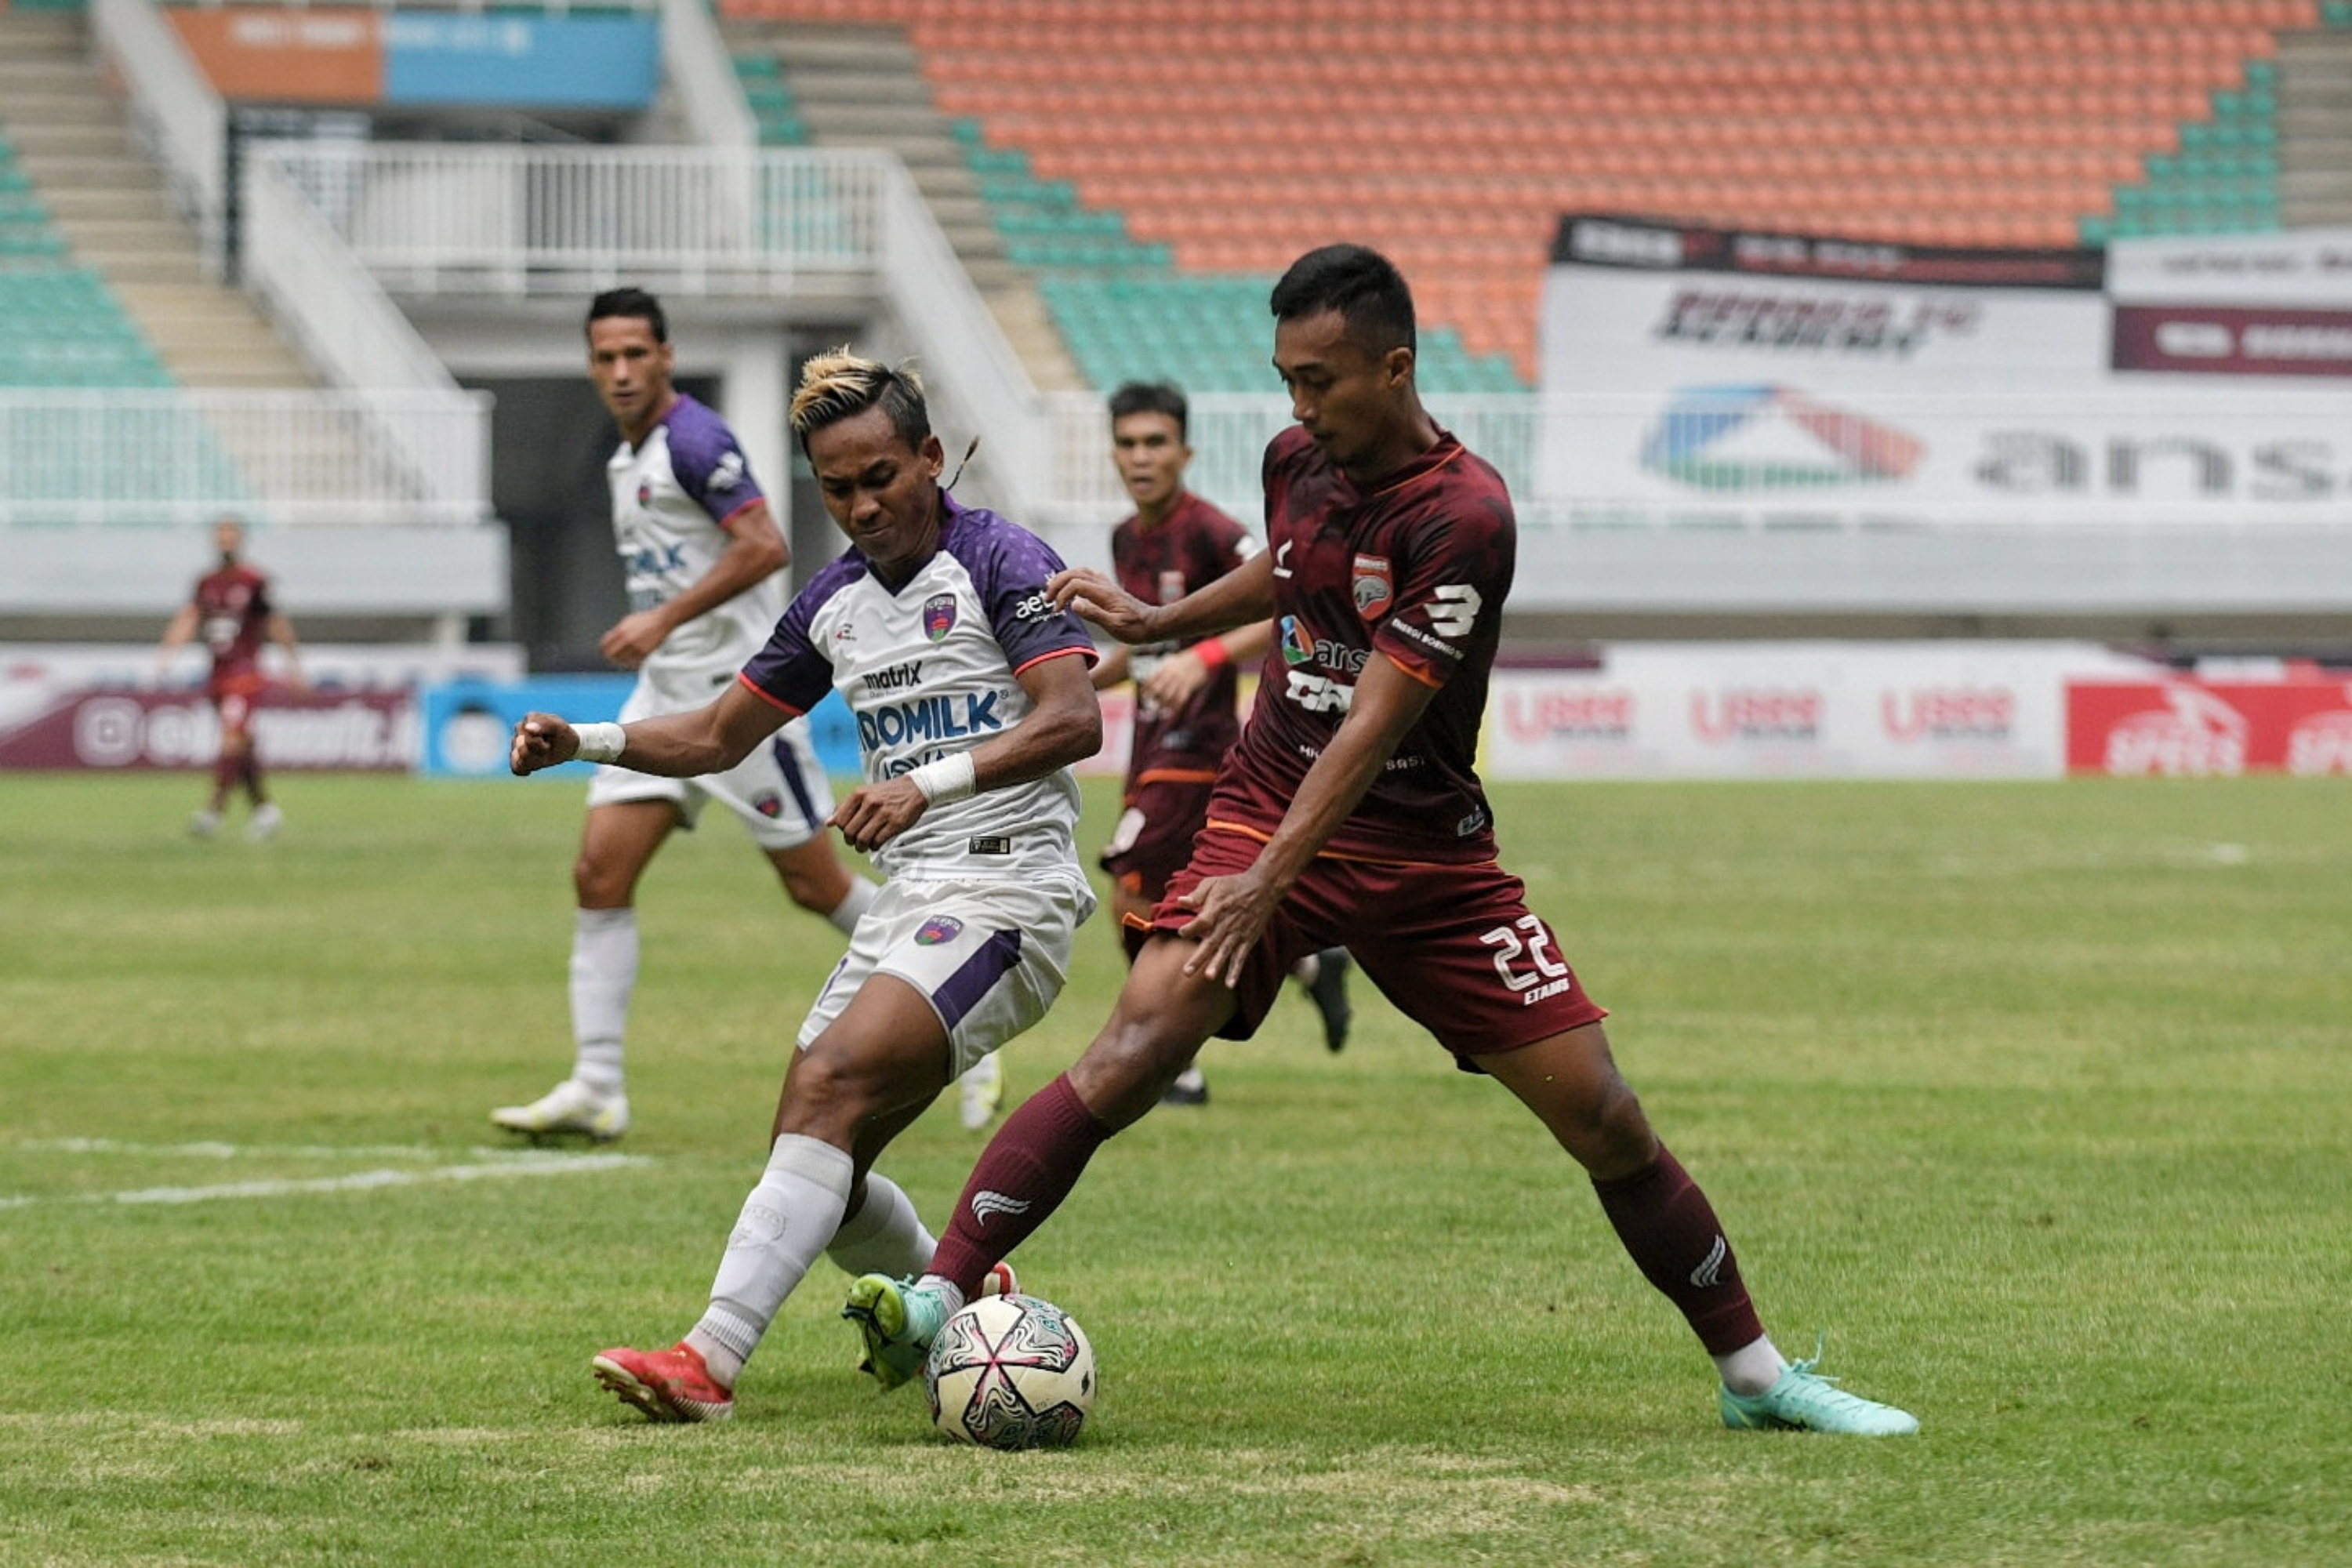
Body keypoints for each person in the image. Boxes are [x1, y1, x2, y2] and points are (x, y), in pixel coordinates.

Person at [844, 245, 1919, 1437]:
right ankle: (940, 1295)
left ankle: (1757, 1379)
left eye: (1320, 380)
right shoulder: (1296, 458)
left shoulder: (1467, 518)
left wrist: (1262, 886)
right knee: (1136, 1046)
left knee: (1603, 1116)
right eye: (1286, 379)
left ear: (1395, 368)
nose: (1298, 407)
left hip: (1426, 858)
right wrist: (1162, 622)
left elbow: (1373, 725)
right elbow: (1289, 571)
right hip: (1263, 801)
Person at [509, 348, 1102, 1422]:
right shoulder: (831, 604)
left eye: (883, 476)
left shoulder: (999, 559)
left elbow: (1072, 718)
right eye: (839, 488)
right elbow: (716, 733)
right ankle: (970, 1297)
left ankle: (706, 1364)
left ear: (930, 457)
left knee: (827, 1091)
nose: (865, 504)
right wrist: (583, 740)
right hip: (912, 900)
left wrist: (927, 782)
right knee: (816, 1163)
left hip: (1010, 895)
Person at [490, 289, 1008, 1143]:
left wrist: (664, 616)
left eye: (635, 354)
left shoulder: (696, 439)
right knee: (599, 875)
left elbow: (764, 544)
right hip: (664, 696)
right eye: (604, 357)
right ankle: (596, 1084)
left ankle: (955, 989)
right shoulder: (631, 457)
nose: (620, 371)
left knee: (814, 884)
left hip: (737, 706)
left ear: (664, 356)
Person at [1091, 379, 1353, 1106]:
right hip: (1150, 746)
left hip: (1202, 747)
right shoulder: (1124, 538)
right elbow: (1150, 648)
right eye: (1129, 443)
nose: (1141, 458)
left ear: (1186, 451)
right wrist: (1079, 682)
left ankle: (1175, 1061)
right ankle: (1308, 967)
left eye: (1156, 443)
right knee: (1186, 901)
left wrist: (1205, 657)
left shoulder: (1211, 530)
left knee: (1133, 889)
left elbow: (1288, 598)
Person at [156, 514, 305, 842]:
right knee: (242, 747)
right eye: (220, 534)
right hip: (218, 675)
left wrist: (294, 665)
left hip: (245, 673)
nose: (225, 540)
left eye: (231, 534)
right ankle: (266, 812)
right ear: (214, 540)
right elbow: (191, 616)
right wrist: (169, 651)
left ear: (240, 539)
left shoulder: (254, 580)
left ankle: (212, 814)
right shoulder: (206, 582)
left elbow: (275, 622)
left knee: (231, 740)